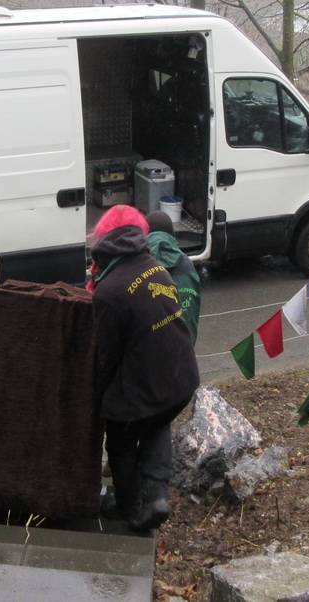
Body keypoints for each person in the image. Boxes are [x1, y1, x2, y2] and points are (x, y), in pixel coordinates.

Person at [89, 205, 199, 532]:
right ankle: (157, 495)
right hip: (181, 376)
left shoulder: (109, 292)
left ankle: (129, 508)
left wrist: (95, 401)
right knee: (157, 420)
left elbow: (104, 357)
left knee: (121, 439)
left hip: (151, 379)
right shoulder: (155, 267)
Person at [145, 211, 201, 344]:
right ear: (171, 235)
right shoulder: (187, 263)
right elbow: (193, 311)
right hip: (186, 351)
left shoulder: (142, 265)